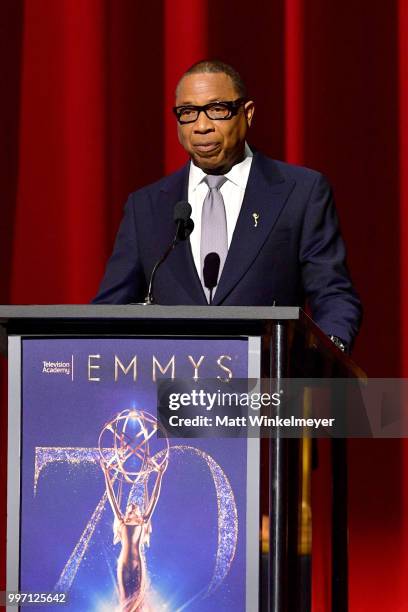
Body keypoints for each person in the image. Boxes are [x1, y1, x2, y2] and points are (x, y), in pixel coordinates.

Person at [93, 60, 362, 350]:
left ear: (247, 114)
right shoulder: (145, 206)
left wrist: (328, 353)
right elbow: (111, 309)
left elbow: (333, 294)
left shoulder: (301, 192)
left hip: (267, 384)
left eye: (217, 110)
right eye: (188, 113)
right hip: (173, 387)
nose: (202, 126)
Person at [101, 459, 168, 612]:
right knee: (125, 601)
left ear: (140, 512)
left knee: (138, 600)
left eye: (135, 507)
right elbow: (112, 498)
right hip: (123, 564)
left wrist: (160, 475)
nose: (132, 507)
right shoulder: (121, 522)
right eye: (130, 507)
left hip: (138, 563)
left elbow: (154, 498)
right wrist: (106, 473)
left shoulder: (143, 522)